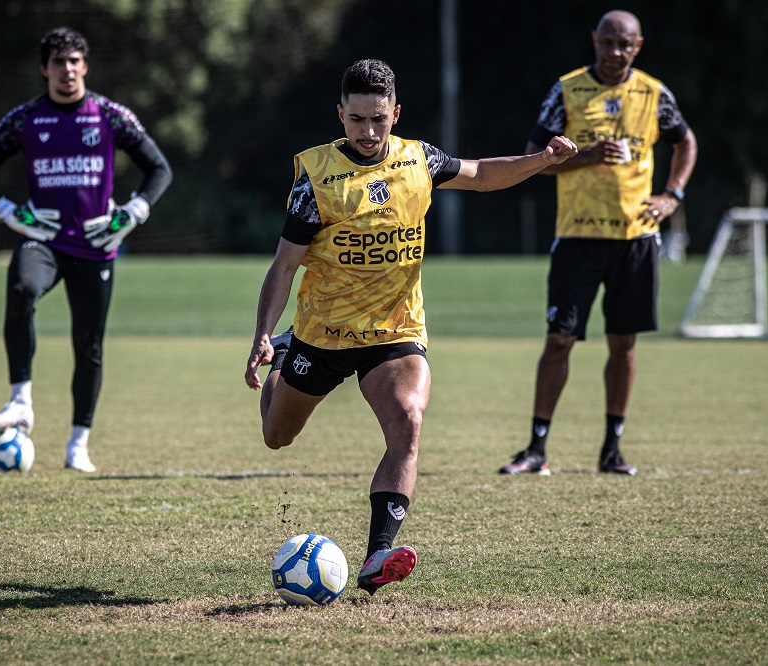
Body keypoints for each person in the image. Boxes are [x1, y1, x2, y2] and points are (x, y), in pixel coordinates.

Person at [244, 59, 576, 595]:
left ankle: (378, 554)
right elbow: (284, 265)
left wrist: (540, 159)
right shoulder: (317, 180)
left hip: (394, 330)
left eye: (378, 119)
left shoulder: (419, 159)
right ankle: (285, 358)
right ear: (340, 115)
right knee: (277, 437)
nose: (369, 132)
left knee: (408, 422)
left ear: (395, 113)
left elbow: (484, 174)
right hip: (322, 334)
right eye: (356, 120)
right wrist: (265, 334)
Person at [0, 27, 173, 472]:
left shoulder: (110, 116)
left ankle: (78, 444)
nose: (67, 70)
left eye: (75, 61)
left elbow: (159, 169)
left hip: (97, 246)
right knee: (21, 291)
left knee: (88, 345)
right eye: (58, 62)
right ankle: (21, 401)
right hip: (43, 240)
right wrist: (7, 211)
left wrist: (132, 213)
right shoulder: (24, 119)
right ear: (45, 69)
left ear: (86, 67)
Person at [499, 10, 698, 477]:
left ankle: (612, 450)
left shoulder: (655, 94)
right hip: (577, 235)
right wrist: (583, 156)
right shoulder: (567, 89)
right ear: (594, 40)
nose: (614, 52)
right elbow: (533, 159)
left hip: (635, 237)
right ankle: (535, 449)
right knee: (559, 340)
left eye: (623, 45)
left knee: (623, 343)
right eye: (606, 42)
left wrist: (672, 196)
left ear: (638, 46)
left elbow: (686, 143)